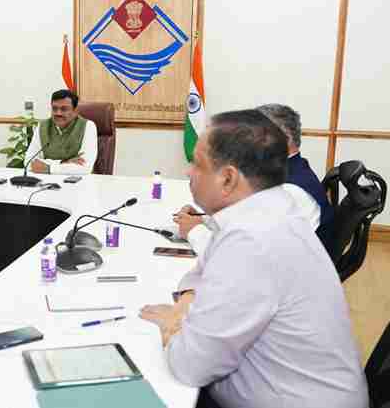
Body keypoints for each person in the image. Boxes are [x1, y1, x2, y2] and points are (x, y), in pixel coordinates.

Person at [140, 109, 368, 408]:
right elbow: (196, 277)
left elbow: (190, 366)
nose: (188, 172)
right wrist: (184, 307)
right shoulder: (262, 211)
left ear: (227, 179)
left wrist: (172, 325)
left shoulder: (254, 239)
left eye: (197, 163)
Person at [174, 103, 333, 255]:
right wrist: (205, 221)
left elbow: (242, 255)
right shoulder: (283, 173)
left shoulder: (291, 192)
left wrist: (194, 232)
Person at [24, 89, 97, 175]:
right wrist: (63, 162)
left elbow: (85, 167)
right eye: (54, 109)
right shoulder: (42, 126)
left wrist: (49, 168)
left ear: (75, 111)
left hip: (77, 181)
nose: (58, 113)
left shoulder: (88, 126)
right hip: (46, 180)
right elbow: (29, 162)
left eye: (64, 109)